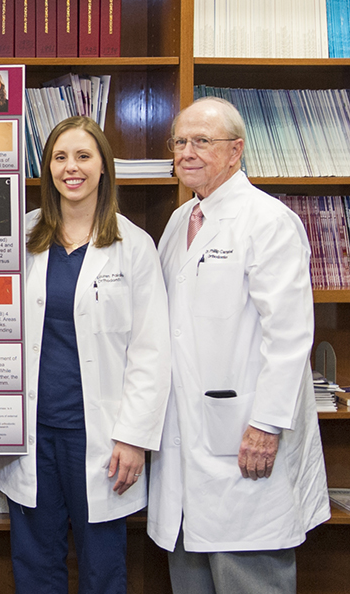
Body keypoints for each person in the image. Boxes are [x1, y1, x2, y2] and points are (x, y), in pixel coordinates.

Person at [0, 116, 171, 593]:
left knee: (103, 569)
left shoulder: (133, 246)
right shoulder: (18, 234)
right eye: (60, 157)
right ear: (47, 168)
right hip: (32, 433)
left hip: (100, 438)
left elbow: (151, 350)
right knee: (35, 567)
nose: (70, 168)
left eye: (83, 156)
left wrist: (135, 437)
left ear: (103, 167)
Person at [148, 97, 329, 593]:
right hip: (187, 445)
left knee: (250, 577)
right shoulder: (179, 221)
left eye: (202, 141)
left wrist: (266, 426)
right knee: (191, 577)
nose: (187, 152)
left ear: (236, 151)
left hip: (246, 442)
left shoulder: (267, 221)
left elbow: (290, 335)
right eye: (180, 141)